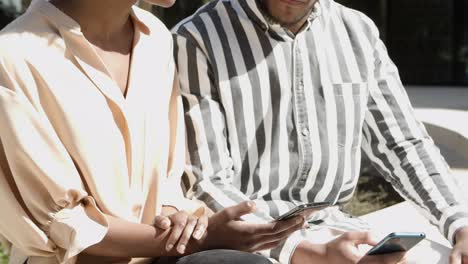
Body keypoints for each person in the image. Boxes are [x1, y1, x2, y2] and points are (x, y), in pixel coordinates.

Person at [0, 0, 307, 263]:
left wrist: (178, 219)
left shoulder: (155, 38)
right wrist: (201, 239)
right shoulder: (13, 57)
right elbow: (64, 224)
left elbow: (167, 179)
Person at [172, 0, 468, 263]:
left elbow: (404, 144)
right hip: (247, 247)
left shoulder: (358, 33)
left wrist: (460, 225)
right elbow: (206, 182)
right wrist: (302, 250)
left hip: (339, 230)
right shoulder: (196, 38)